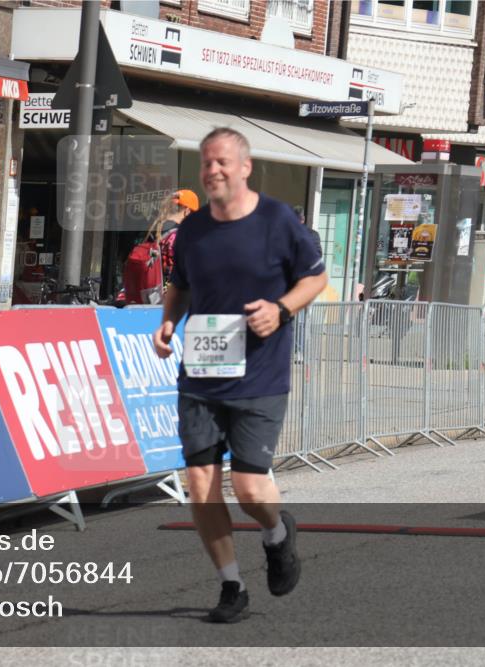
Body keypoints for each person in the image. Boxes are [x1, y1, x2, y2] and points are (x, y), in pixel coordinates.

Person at [152, 128, 328, 623]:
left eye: (223, 162)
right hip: (201, 374)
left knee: (249, 489)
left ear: (245, 167)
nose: (213, 170)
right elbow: (180, 286)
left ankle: (277, 533)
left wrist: (282, 309)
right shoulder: (193, 230)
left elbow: (316, 276)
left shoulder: (277, 221)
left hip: (260, 376)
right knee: (200, 484)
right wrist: (167, 322)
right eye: (207, 162)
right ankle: (232, 586)